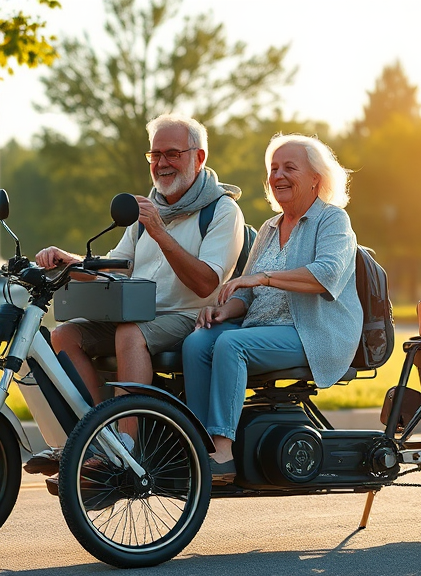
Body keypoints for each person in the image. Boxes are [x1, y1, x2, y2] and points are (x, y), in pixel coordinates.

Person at [28, 113, 247, 474]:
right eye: (155, 154)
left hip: (191, 317)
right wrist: (71, 262)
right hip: (136, 311)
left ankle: (125, 450)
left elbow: (207, 283)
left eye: (172, 153)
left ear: (200, 157)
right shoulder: (148, 208)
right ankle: (96, 436)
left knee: (130, 333)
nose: (161, 163)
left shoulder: (222, 211)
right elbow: (116, 268)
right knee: (64, 334)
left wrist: (161, 232)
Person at [182, 134, 362, 483]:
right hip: (261, 330)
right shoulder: (269, 227)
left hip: (311, 333)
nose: (277, 175)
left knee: (231, 344)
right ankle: (196, 441)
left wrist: (263, 278)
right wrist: (223, 310)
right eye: (273, 169)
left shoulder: (332, 220)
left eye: (289, 168)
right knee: (199, 340)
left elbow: (326, 275)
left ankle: (222, 452)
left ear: (316, 179)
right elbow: (246, 296)